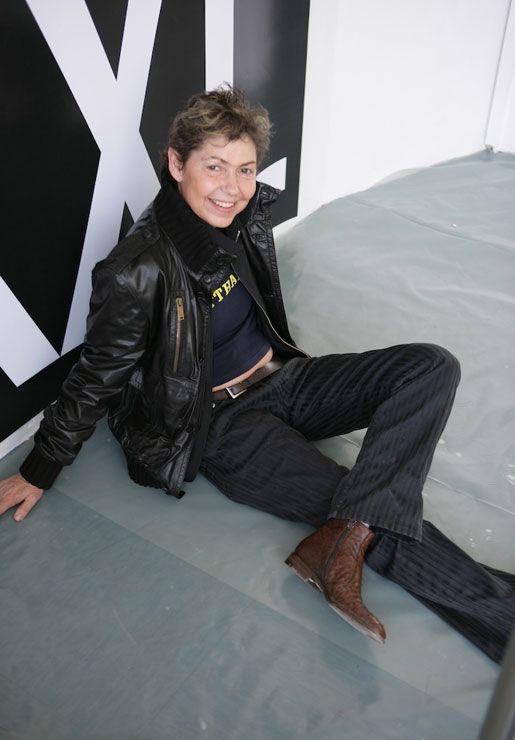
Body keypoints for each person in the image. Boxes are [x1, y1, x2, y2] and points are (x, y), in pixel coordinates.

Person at [1, 87, 513, 660]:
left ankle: (341, 541)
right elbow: (95, 376)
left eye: (245, 169)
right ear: (176, 164)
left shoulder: (242, 216)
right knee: (360, 502)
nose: (233, 187)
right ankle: (502, 616)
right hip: (221, 423)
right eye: (214, 166)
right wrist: (40, 467)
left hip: (285, 378)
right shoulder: (136, 271)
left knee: (429, 367)